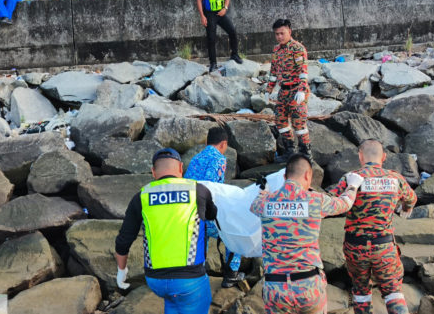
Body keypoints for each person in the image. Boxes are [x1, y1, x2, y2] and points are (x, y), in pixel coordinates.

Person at [250, 153, 363, 314]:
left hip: (276, 289)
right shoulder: (315, 200)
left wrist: (266, 190)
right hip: (309, 287)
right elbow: (345, 203)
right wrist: (353, 185)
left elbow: (254, 205)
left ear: (284, 176)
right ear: (308, 175)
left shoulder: (265, 203)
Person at [114, 148, 217, 314]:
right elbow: (213, 214)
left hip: (155, 280)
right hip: (189, 279)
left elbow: (123, 240)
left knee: (172, 302)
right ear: (181, 168)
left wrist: (121, 271)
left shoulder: (141, 196)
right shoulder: (198, 191)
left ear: (153, 172)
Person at [327, 140, 417, 314]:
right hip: (384, 247)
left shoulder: (351, 178)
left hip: (355, 246)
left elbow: (332, 203)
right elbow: (411, 199)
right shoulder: (395, 178)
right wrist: (406, 208)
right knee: (393, 291)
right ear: (383, 157)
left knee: (360, 291)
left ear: (360, 156)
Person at [184, 126, 244, 288]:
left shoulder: (196, 158)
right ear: (224, 144)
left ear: (207, 141)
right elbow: (211, 186)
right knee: (235, 234)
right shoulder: (218, 158)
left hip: (189, 212)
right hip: (206, 211)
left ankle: (198, 273)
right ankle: (231, 274)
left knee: (201, 240)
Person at [266, 19, 313, 162]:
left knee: (299, 123)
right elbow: (273, 71)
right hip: (283, 91)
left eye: (282, 33)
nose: (279, 36)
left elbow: (303, 71)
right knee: (280, 121)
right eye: (277, 34)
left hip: (296, 90)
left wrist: (302, 90)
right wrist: (269, 89)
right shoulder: (276, 50)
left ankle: (306, 155)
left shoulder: (298, 48)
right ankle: (290, 152)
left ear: (289, 31)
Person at [196, 0, 243, 72]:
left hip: (220, 13)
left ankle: (234, 55)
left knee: (232, 31)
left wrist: (225, 8)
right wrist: (202, 16)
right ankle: (213, 63)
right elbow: (198, 0)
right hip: (209, 14)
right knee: (211, 38)